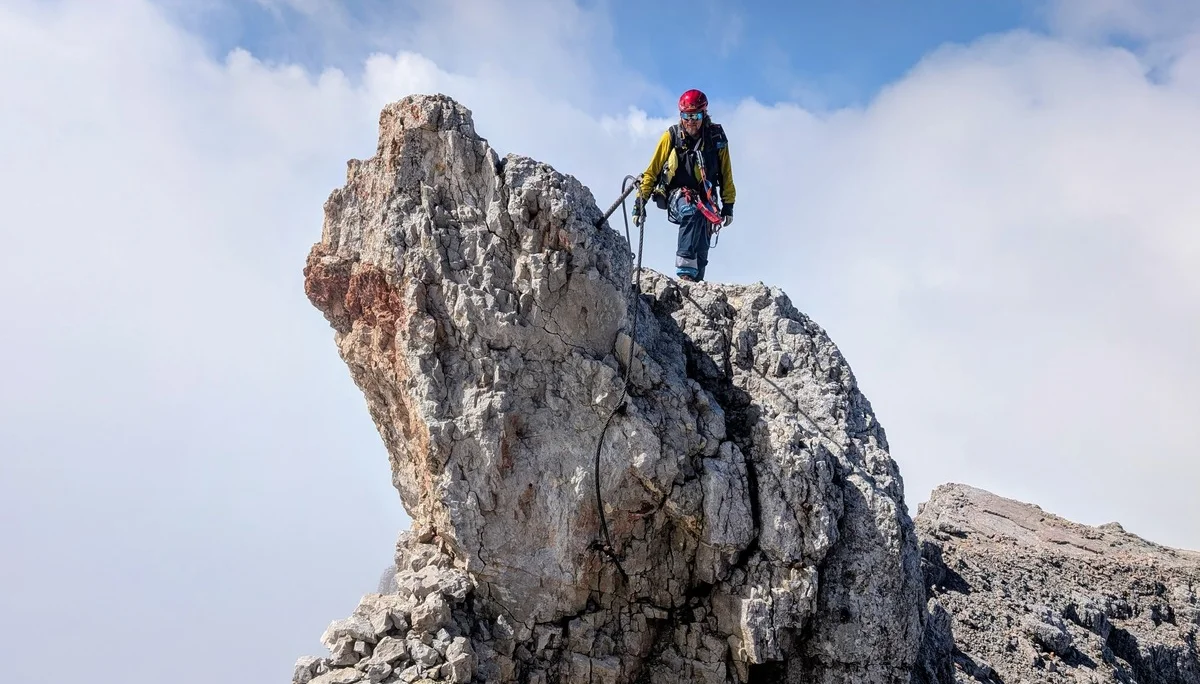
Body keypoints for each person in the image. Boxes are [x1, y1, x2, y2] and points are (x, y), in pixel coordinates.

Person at [633, 89, 735, 282]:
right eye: (686, 116)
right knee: (691, 212)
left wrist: (728, 204)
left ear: (704, 114)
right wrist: (640, 202)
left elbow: (726, 173)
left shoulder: (716, 138)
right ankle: (685, 273)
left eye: (695, 116)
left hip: (707, 198)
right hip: (678, 195)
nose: (691, 121)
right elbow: (652, 171)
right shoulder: (671, 136)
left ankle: (697, 282)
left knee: (703, 244)